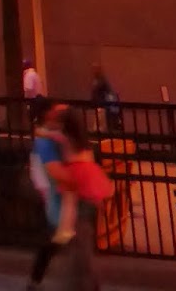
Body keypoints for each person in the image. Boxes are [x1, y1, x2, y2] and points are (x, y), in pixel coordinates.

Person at [46, 106, 112, 291]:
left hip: (77, 179)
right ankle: (90, 283)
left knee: (78, 241)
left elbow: (70, 199)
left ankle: (85, 283)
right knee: (83, 240)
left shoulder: (65, 140)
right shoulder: (83, 141)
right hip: (88, 181)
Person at [26, 100, 69, 289]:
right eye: (52, 110)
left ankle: (35, 280)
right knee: (56, 240)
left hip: (52, 194)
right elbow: (42, 170)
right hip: (51, 195)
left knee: (56, 240)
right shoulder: (44, 139)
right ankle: (35, 280)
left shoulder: (47, 135)